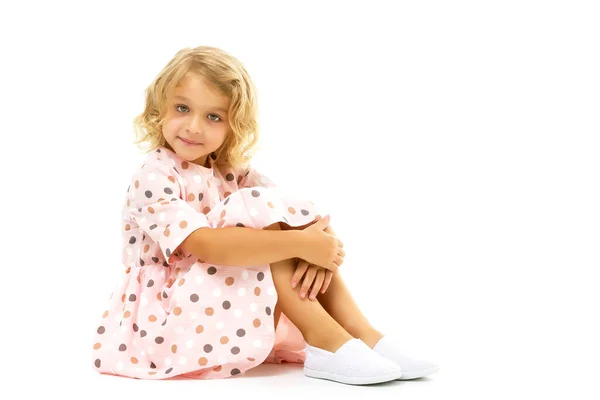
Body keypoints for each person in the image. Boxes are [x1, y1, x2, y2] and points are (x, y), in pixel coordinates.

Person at [91, 45, 438, 385]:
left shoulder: (231, 172)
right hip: (168, 322)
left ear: (232, 126)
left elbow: (293, 212)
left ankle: (360, 332)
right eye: (182, 108)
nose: (194, 127)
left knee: (274, 210)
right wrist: (299, 244)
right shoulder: (154, 175)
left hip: (213, 308)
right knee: (263, 219)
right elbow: (208, 246)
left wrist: (316, 244)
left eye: (213, 116)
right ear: (159, 110)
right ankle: (324, 339)